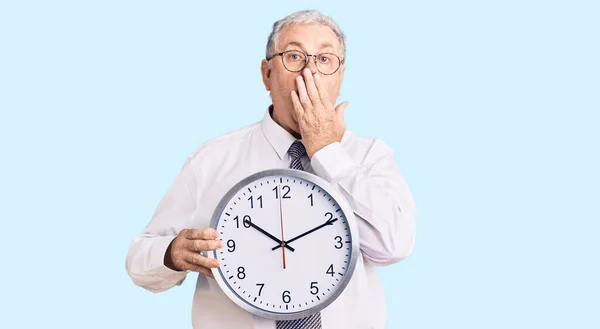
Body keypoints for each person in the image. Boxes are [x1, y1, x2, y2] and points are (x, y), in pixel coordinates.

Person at [126, 9, 416, 329]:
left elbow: (394, 246)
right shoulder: (211, 160)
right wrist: (171, 253)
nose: (310, 72)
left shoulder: (370, 156)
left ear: (340, 77)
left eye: (324, 59)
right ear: (267, 74)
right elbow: (139, 260)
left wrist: (325, 150)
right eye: (294, 56)